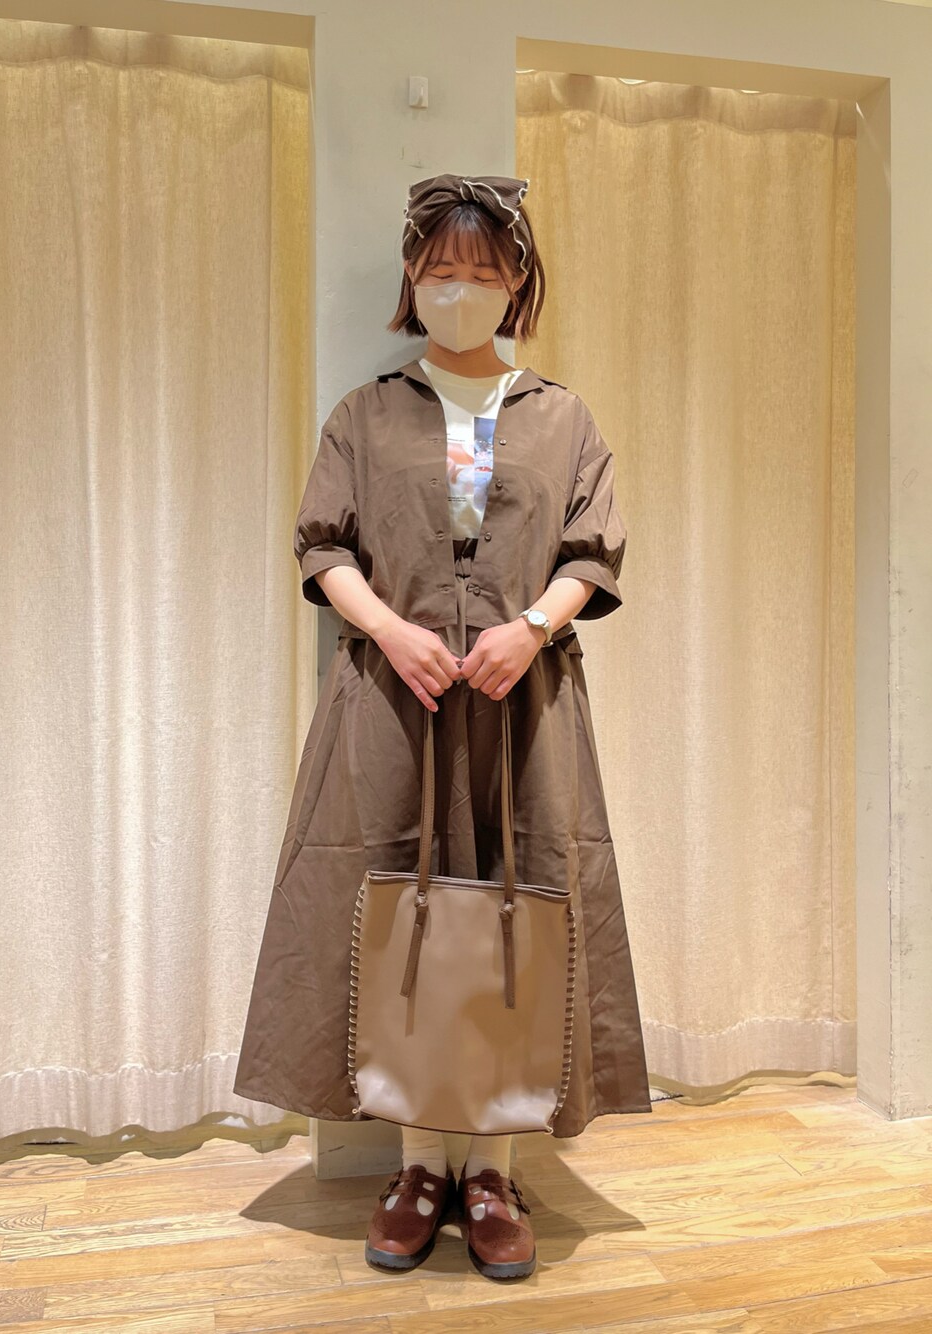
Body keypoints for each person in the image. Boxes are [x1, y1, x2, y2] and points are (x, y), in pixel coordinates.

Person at [233, 173, 652, 1284]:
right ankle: (420, 1167)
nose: (459, 290)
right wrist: (389, 630)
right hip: (393, 702)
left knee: (521, 916)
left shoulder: (562, 416)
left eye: (482, 271)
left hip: (526, 706)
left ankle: (494, 1172)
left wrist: (531, 627)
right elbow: (323, 546)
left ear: (518, 284)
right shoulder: (365, 414)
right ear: (411, 281)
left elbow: (592, 551)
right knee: (400, 918)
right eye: (440, 271)